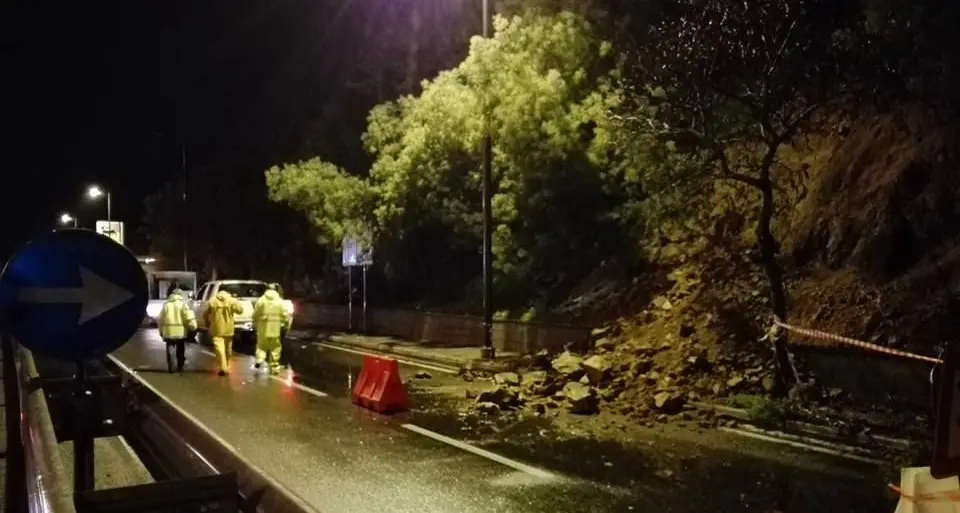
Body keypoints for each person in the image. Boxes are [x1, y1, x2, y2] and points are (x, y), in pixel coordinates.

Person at [253, 283, 292, 374]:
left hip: (263, 327)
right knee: (275, 348)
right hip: (275, 328)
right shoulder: (279, 301)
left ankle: (260, 359)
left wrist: (254, 322)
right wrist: (286, 324)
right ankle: (274, 367)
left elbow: (256, 313)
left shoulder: (261, 300)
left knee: (261, 345)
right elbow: (285, 314)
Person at [157, 288, 197, 373]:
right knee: (180, 348)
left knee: (170, 348)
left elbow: (160, 319)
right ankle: (180, 365)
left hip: (168, 332)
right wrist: (193, 326)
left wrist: (160, 331)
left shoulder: (166, 305)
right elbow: (189, 317)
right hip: (181, 332)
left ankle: (171, 367)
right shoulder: (183, 305)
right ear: (180, 295)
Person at [204, 289, 243, 376]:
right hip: (229, 329)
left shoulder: (212, 301)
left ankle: (223, 367)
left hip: (216, 329)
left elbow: (205, 314)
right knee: (228, 349)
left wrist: (207, 322)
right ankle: (226, 366)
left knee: (219, 349)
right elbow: (240, 311)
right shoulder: (232, 301)